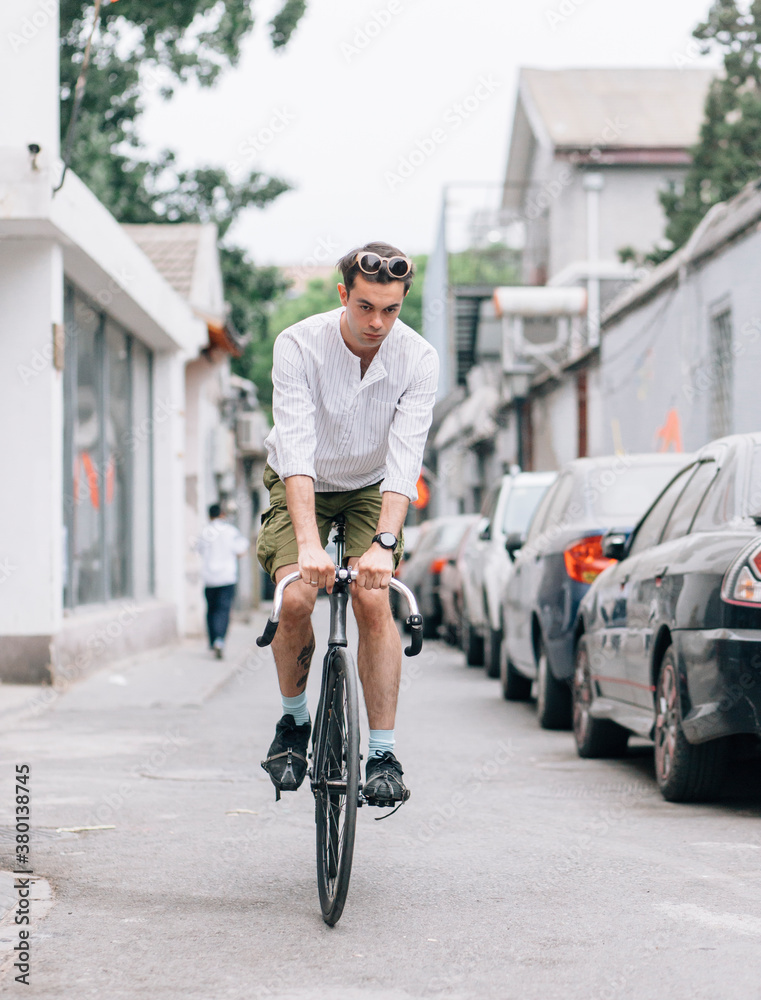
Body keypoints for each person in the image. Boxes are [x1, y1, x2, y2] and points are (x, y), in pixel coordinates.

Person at [257, 242, 439, 807]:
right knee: (295, 598)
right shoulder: (298, 345)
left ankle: (382, 754)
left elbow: (406, 459)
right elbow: (295, 449)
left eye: (390, 309)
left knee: (371, 597)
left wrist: (384, 543)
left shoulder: (419, 358)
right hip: (301, 479)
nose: (378, 322)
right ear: (343, 295)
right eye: (365, 307)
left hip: (370, 485)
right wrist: (308, 544)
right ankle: (294, 722)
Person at [197, 503, 249, 659]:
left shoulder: (205, 532)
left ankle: (212, 640)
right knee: (224, 609)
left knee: (211, 609)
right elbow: (241, 550)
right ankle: (220, 639)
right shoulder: (231, 531)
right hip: (227, 577)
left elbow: (199, 550)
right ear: (222, 514)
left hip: (209, 578)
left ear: (209, 515)